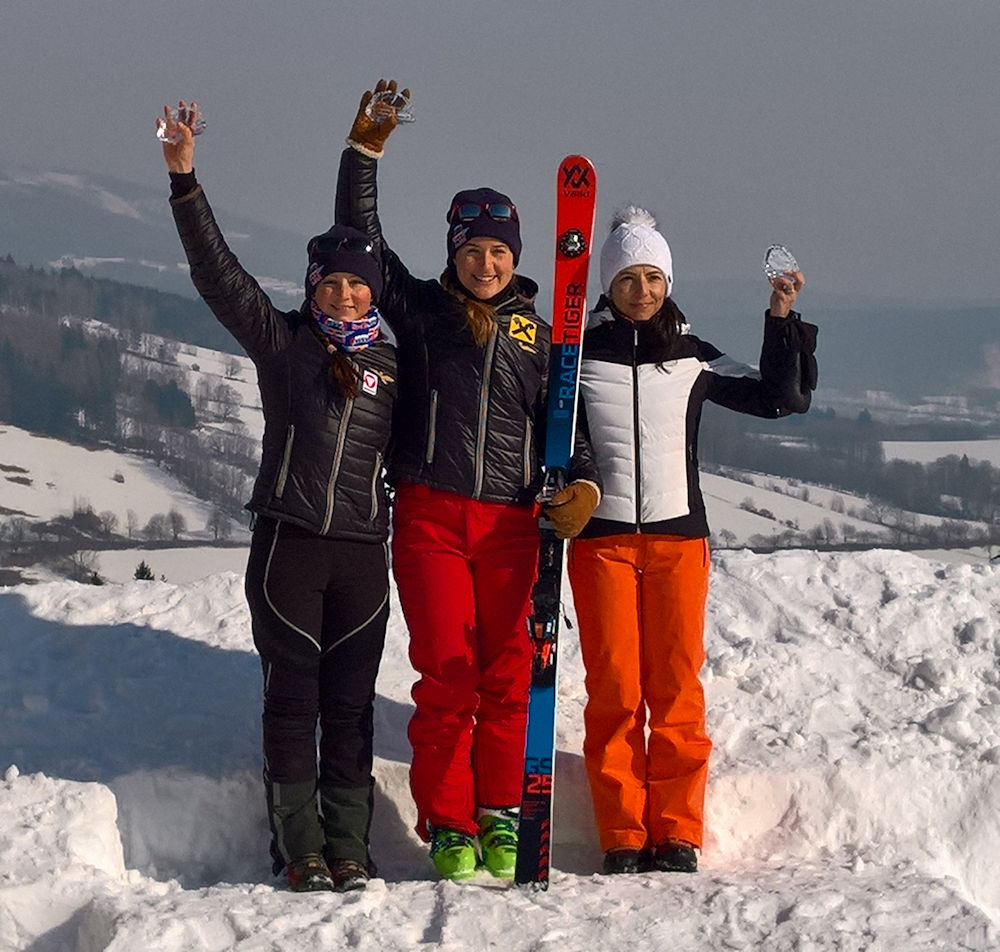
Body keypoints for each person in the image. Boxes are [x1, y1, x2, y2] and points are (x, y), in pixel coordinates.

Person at [335, 81, 601, 881]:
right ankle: (449, 821)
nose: (485, 263)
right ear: (453, 251)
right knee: (448, 674)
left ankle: (501, 812)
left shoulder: (542, 335)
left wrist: (579, 487)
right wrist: (364, 156)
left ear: (516, 257)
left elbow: (572, 428)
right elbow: (364, 242)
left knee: (508, 672)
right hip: (430, 516)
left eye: (499, 251)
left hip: (515, 525)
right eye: (472, 249)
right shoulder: (419, 312)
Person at [159, 101, 398, 893]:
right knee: (293, 707)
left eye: (357, 288)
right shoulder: (282, 344)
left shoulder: (395, 369)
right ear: (312, 289)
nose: (345, 298)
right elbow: (217, 275)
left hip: (364, 557)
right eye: (332, 286)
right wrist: (185, 180)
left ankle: (352, 849)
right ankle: (302, 851)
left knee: (352, 711)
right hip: (289, 548)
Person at [568, 206, 817, 875]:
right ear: (609, 284)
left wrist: (780, 320)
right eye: (628, 277)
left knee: (676, 686)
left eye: (653, 277)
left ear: (668, 281)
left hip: (679, 543)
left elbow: (777, 397)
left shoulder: (693, 356)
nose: (641, 290)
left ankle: (676, 830)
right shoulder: (579, 356)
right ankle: (622, 832)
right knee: (616, 688)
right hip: (600, 542)